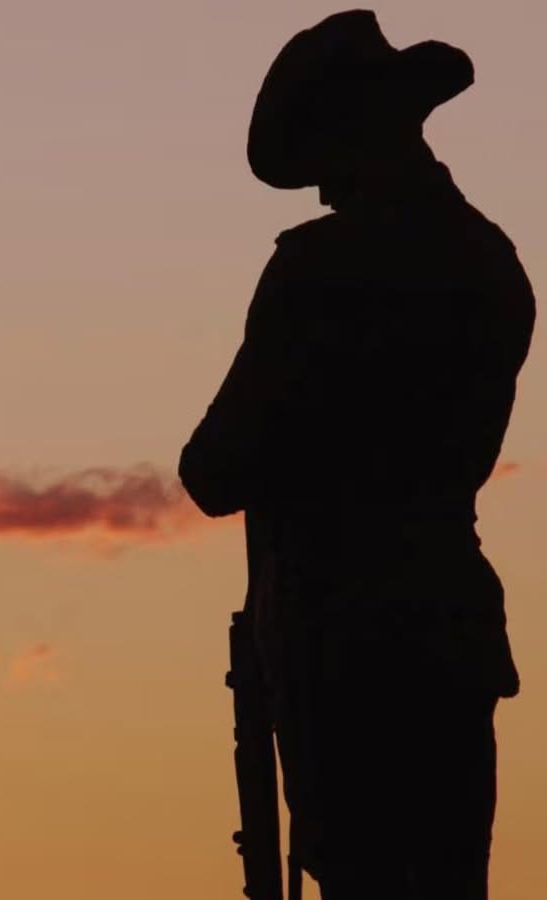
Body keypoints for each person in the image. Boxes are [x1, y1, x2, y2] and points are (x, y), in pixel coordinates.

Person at [177, 9, 536, 900]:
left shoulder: (318, 269)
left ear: (353, 134)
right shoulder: (490, 260)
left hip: (342, 647)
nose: (323, 190)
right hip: (448, 629)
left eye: (325, 159)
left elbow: (213, 469)